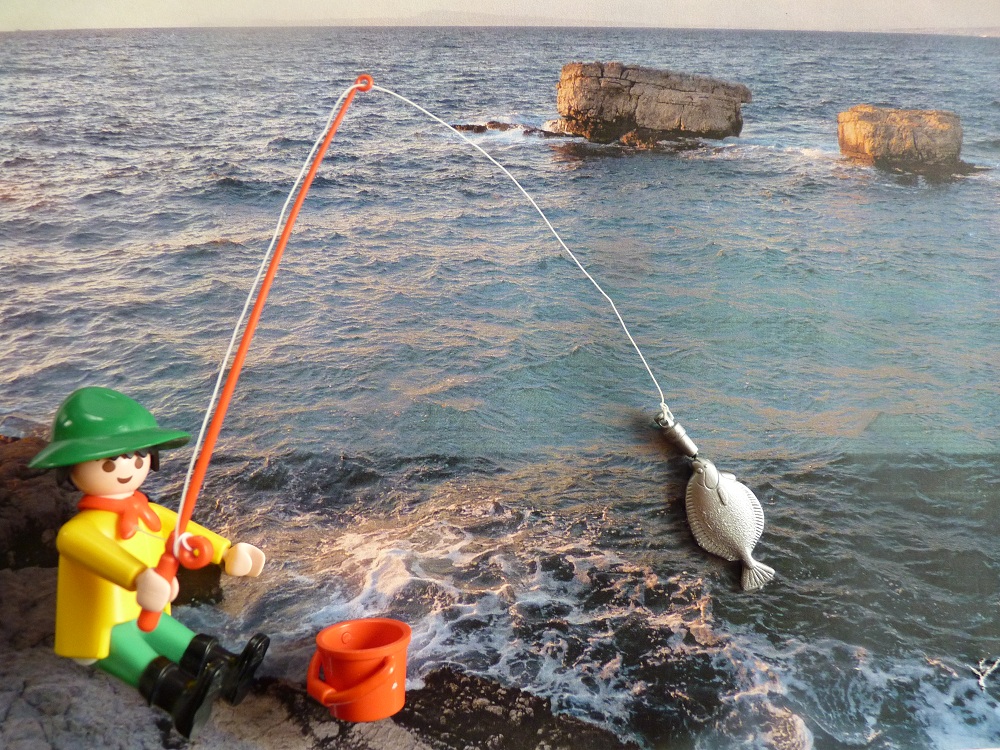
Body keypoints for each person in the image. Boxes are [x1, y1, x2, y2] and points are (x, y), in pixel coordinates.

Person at [29, 386, 269, 739]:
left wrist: (226, 552)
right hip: (101, 626)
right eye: (109, 462)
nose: (127, 468)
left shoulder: (150, 513)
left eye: (138, 456)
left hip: (147, 610)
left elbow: (185, 532)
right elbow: (103, 557)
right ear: (70, 468)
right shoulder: (77, 531)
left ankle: (228, 669)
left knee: (180, 637)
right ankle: (181, 697)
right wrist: (140, 577)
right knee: (134, 651)